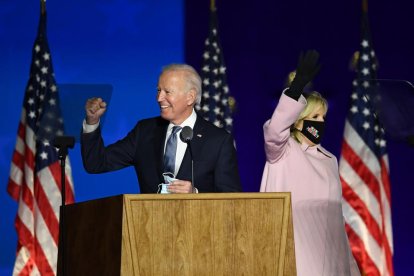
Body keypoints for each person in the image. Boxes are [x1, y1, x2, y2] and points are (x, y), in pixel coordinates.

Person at [260, 50, 360, 275]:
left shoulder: (330, 160)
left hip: (330, 259)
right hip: (295, 257)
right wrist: (297, 88)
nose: (321, 122)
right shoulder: (283, 151)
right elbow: (275, 129)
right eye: (314, 117)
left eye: (323, 117)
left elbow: (337, 221)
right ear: (296, 122)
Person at [81, 64, 241, 193]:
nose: (159, 98)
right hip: (148, 228)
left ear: (190, 97)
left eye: (167, 92)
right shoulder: (144, 131)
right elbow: (96, 163)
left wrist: (196, 195)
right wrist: (92, 122)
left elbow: (231, 200)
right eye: (158, 90)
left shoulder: (218, 140)